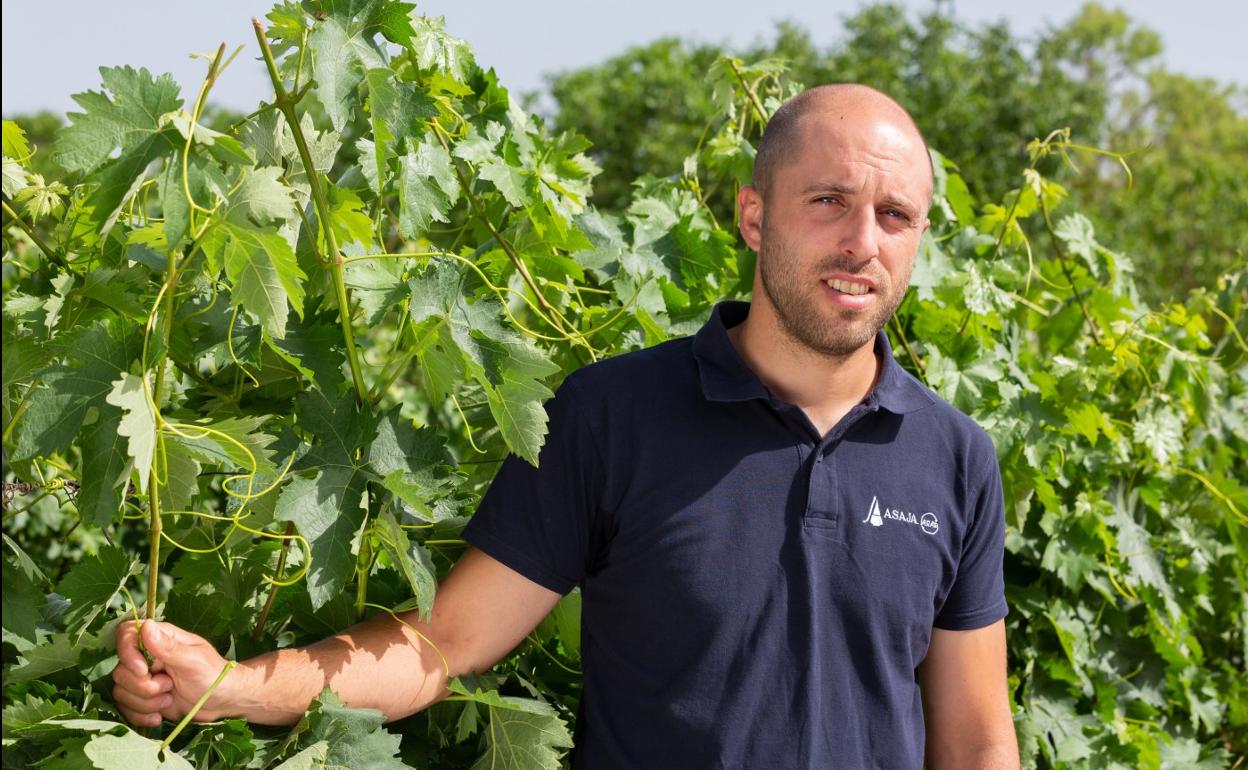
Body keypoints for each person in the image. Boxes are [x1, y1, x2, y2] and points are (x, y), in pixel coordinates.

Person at [112, 84, 1020, 768]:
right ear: (754, 217)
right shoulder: (614, 415)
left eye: (894, 216)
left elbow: (977, 738)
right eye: (829, 201)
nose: (864, 241)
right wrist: (233, 689)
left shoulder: (955, 458)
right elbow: (446, 643)